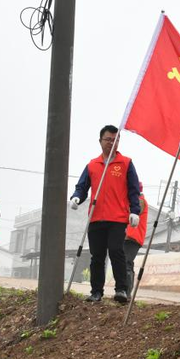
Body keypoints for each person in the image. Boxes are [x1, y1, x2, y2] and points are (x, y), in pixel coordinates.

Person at [71, 125, 141, 303]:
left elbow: (134, 190)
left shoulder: (125, 163)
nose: (112, 142)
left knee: (116, 251)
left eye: (115, 139)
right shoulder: (92, 165)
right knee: (97, 256)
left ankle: (121, 290)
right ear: (100, 141)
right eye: (108, 139)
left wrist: (135, 211)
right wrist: (76, 197)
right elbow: (82, 187)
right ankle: (96, 292)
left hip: (117, 218)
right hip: (96, 218)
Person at [123, 182, 149, 296]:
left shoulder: (139, 201)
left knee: (126, 263)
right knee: (127, 263)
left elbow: (129, 212)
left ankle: (126, 292)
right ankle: (126, 292)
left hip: (132, 237)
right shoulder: (139, 200)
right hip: (130, 237)